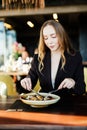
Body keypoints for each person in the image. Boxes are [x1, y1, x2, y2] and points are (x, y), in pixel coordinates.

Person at [20, 20, 86, 97]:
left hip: (67, 104)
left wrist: (73, 83)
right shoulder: (38, 58)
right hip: (44, 103)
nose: (49, 41)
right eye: (46, 38)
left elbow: (81, 89)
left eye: (53, 36)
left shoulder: (75, 57)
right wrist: (25, 81)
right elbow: (29, 83)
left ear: (61, 35)